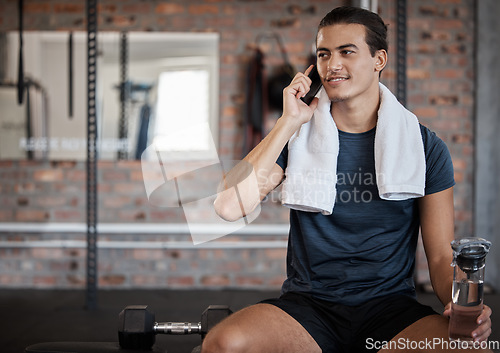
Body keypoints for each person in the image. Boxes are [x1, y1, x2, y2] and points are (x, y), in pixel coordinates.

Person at [203, 6, 493, 353]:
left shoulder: (425, 147)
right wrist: (287, 123)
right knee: (224, 343)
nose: (332, 65)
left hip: (391, 310)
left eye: (347, 52)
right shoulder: (296, 138)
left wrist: (464, 305)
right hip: (309, 308)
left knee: (467, 347)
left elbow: (439, 261)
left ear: (378, 59)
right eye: (324, 54)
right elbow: (228, 206)